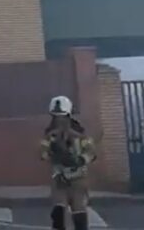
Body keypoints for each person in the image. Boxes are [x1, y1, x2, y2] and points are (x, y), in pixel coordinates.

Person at [40, 96, 96, 230]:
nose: (59, 120)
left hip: (78, 179)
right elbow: (42, 153)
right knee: (58, 213)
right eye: (56, 117)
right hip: (59, 179)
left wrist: (80, 159)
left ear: (68, 115)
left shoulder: (80, 133)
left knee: (79, 214)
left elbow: (91, 152)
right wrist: (53, 154)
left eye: (62, 116)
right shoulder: (50, 135)